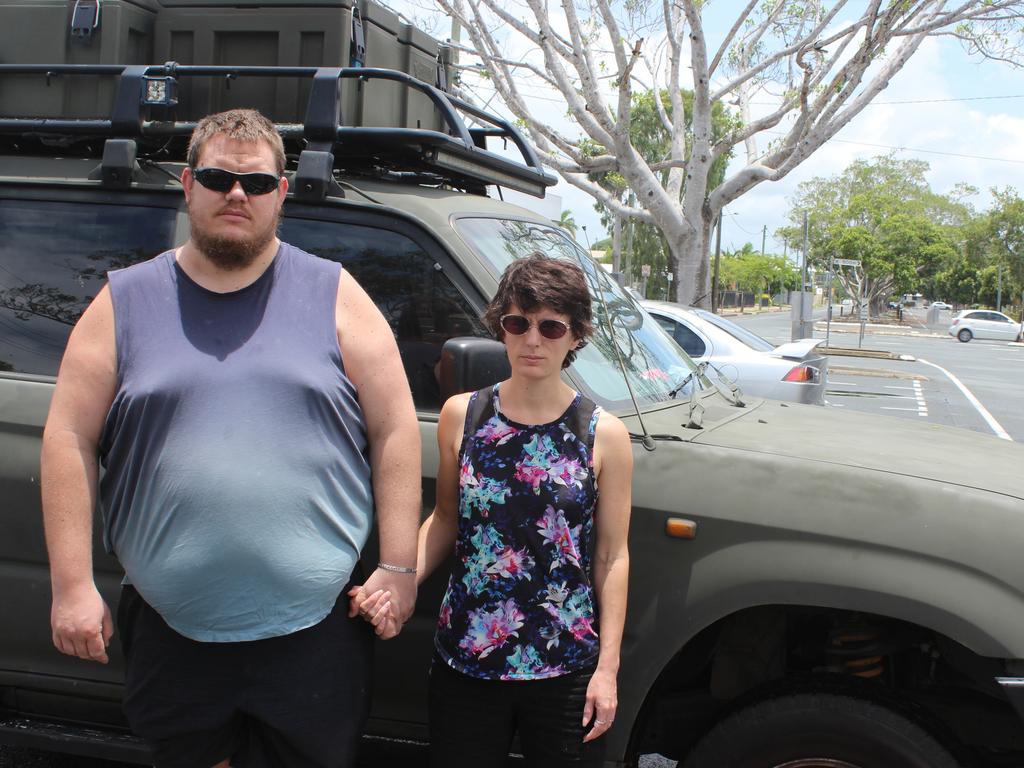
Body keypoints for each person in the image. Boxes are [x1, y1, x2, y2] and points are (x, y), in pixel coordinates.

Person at [40, 108, 421, 768]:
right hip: (171, 628)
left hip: (315, 631)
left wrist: (399, 566)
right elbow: (68, 435)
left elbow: (394, 430)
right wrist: (72, 585)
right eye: (218, 177)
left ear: (282, 190)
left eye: (257, 182)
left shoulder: (337, 295)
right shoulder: (122, 302)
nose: (236, 194)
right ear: (188, 184)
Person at [359, 254, 632, 766]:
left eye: (551, 326)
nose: (533, 339)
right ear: (500, 329)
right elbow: (444, 519)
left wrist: (608, 669)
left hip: (563, 663)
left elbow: (613, 557)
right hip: (467, 658)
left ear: (575, 337)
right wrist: (397, 579)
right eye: (518, 322)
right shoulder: (462, 415)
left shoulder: (603, 435)